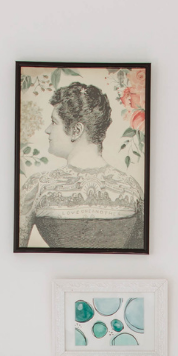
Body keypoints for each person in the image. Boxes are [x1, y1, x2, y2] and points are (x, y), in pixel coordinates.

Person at [18, 81, 145, 250]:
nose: (47, 130)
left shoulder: (38, 187)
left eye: (54, 122)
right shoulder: (131, 188)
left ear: (76, 131)